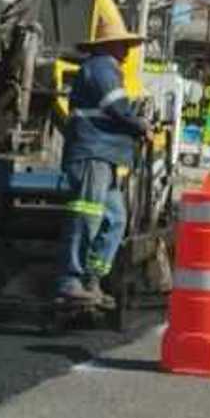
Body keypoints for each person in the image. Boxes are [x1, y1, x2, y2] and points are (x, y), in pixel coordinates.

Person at [55, 19, 149, 305]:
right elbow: (116, 106)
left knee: (116, 219)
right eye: (124, 44)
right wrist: (140, 124)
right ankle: (71, 279)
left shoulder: (106, 68)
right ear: (109, 46)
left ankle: (92, 278)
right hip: (92, 154)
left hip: (104, 157)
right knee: (87, 216)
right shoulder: (101, 67)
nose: (128, 50)